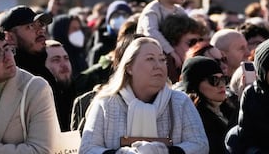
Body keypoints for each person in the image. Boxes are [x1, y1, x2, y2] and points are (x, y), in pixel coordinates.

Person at [80, 36, 208, 154]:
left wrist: (163, 151)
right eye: (150, 59)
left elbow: (200, 145)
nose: (159, 65)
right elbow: (88, 149)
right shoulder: (106, 103)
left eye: (162, 59)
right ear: (129, 67)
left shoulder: (180, 101)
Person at [178, 56, 236, 154]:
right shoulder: (194, 119)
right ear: (195, 86)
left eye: (223, 79)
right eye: (214, 80)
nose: (221, 85)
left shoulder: (230, 110)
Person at [136, 0, 189, 70]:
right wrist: (171, 52)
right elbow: (151, 32)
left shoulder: (180, 11)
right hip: (150, 56)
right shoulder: (152, 10)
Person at [159, 14, 204, 82]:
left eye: (200, 42)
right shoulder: (164, 68)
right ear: (172, 42)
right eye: (192, 42)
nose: (197, 47)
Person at [88, 0, 133, 67]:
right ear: (108, 20)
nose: (120, 18)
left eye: (124, 15)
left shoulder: (134, 43)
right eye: (116, 15)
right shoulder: (99, 48)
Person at [44, 40, 76, 131]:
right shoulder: (41, 101)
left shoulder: (79, 91)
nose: (64, 65)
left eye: (66, 58)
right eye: (56, 60)